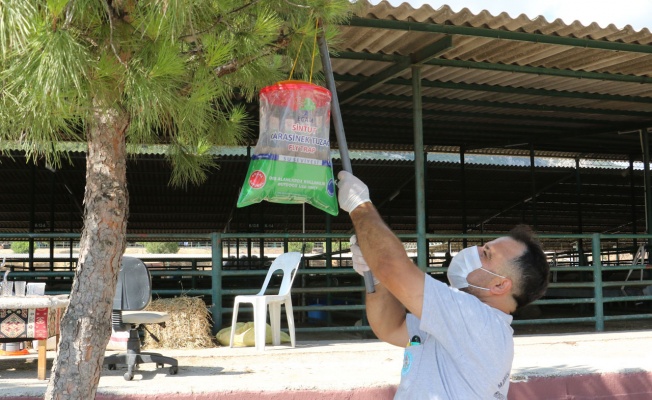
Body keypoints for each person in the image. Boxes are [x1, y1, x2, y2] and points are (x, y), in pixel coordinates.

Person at [337, 171, 549, 400]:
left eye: (486, 254)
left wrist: (359, 205)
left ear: (499, 285)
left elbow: (392, 266)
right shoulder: (460, 321)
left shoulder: (478, 321)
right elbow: (391, 327)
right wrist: (376, 279)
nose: (475, 251)